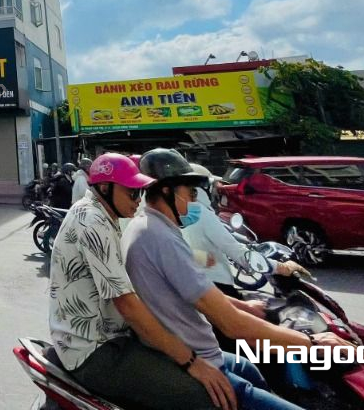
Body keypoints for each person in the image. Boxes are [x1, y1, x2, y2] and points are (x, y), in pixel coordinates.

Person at [123, 149, 350, 410]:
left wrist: (244, 306)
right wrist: (312, 343)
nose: (194, 200)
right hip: (196, 357)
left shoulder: (150, 227)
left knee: (251, 370)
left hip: (198, 345)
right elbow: (233, 323)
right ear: (167, 191)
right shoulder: (161, 237)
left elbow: (197, 287)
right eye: (191, 192)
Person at [49, 152, 237, 410]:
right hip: (96, 350)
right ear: (104, 188)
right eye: (131, 193)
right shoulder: (92, 221)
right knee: (203, 395)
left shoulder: (105, 215)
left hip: (111, 338)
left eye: (139, 192)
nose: (138, 200)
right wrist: (191, 362)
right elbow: (128, 304)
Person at [182, 163, 306, 294]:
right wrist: (281, 267)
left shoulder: (183, 214)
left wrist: (204, 258)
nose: (216, 190)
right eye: (212, 186)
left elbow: (183, 251)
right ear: (202, 188)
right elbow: (237, 252)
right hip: (216, 285)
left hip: (196, 282)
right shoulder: (203, 214)